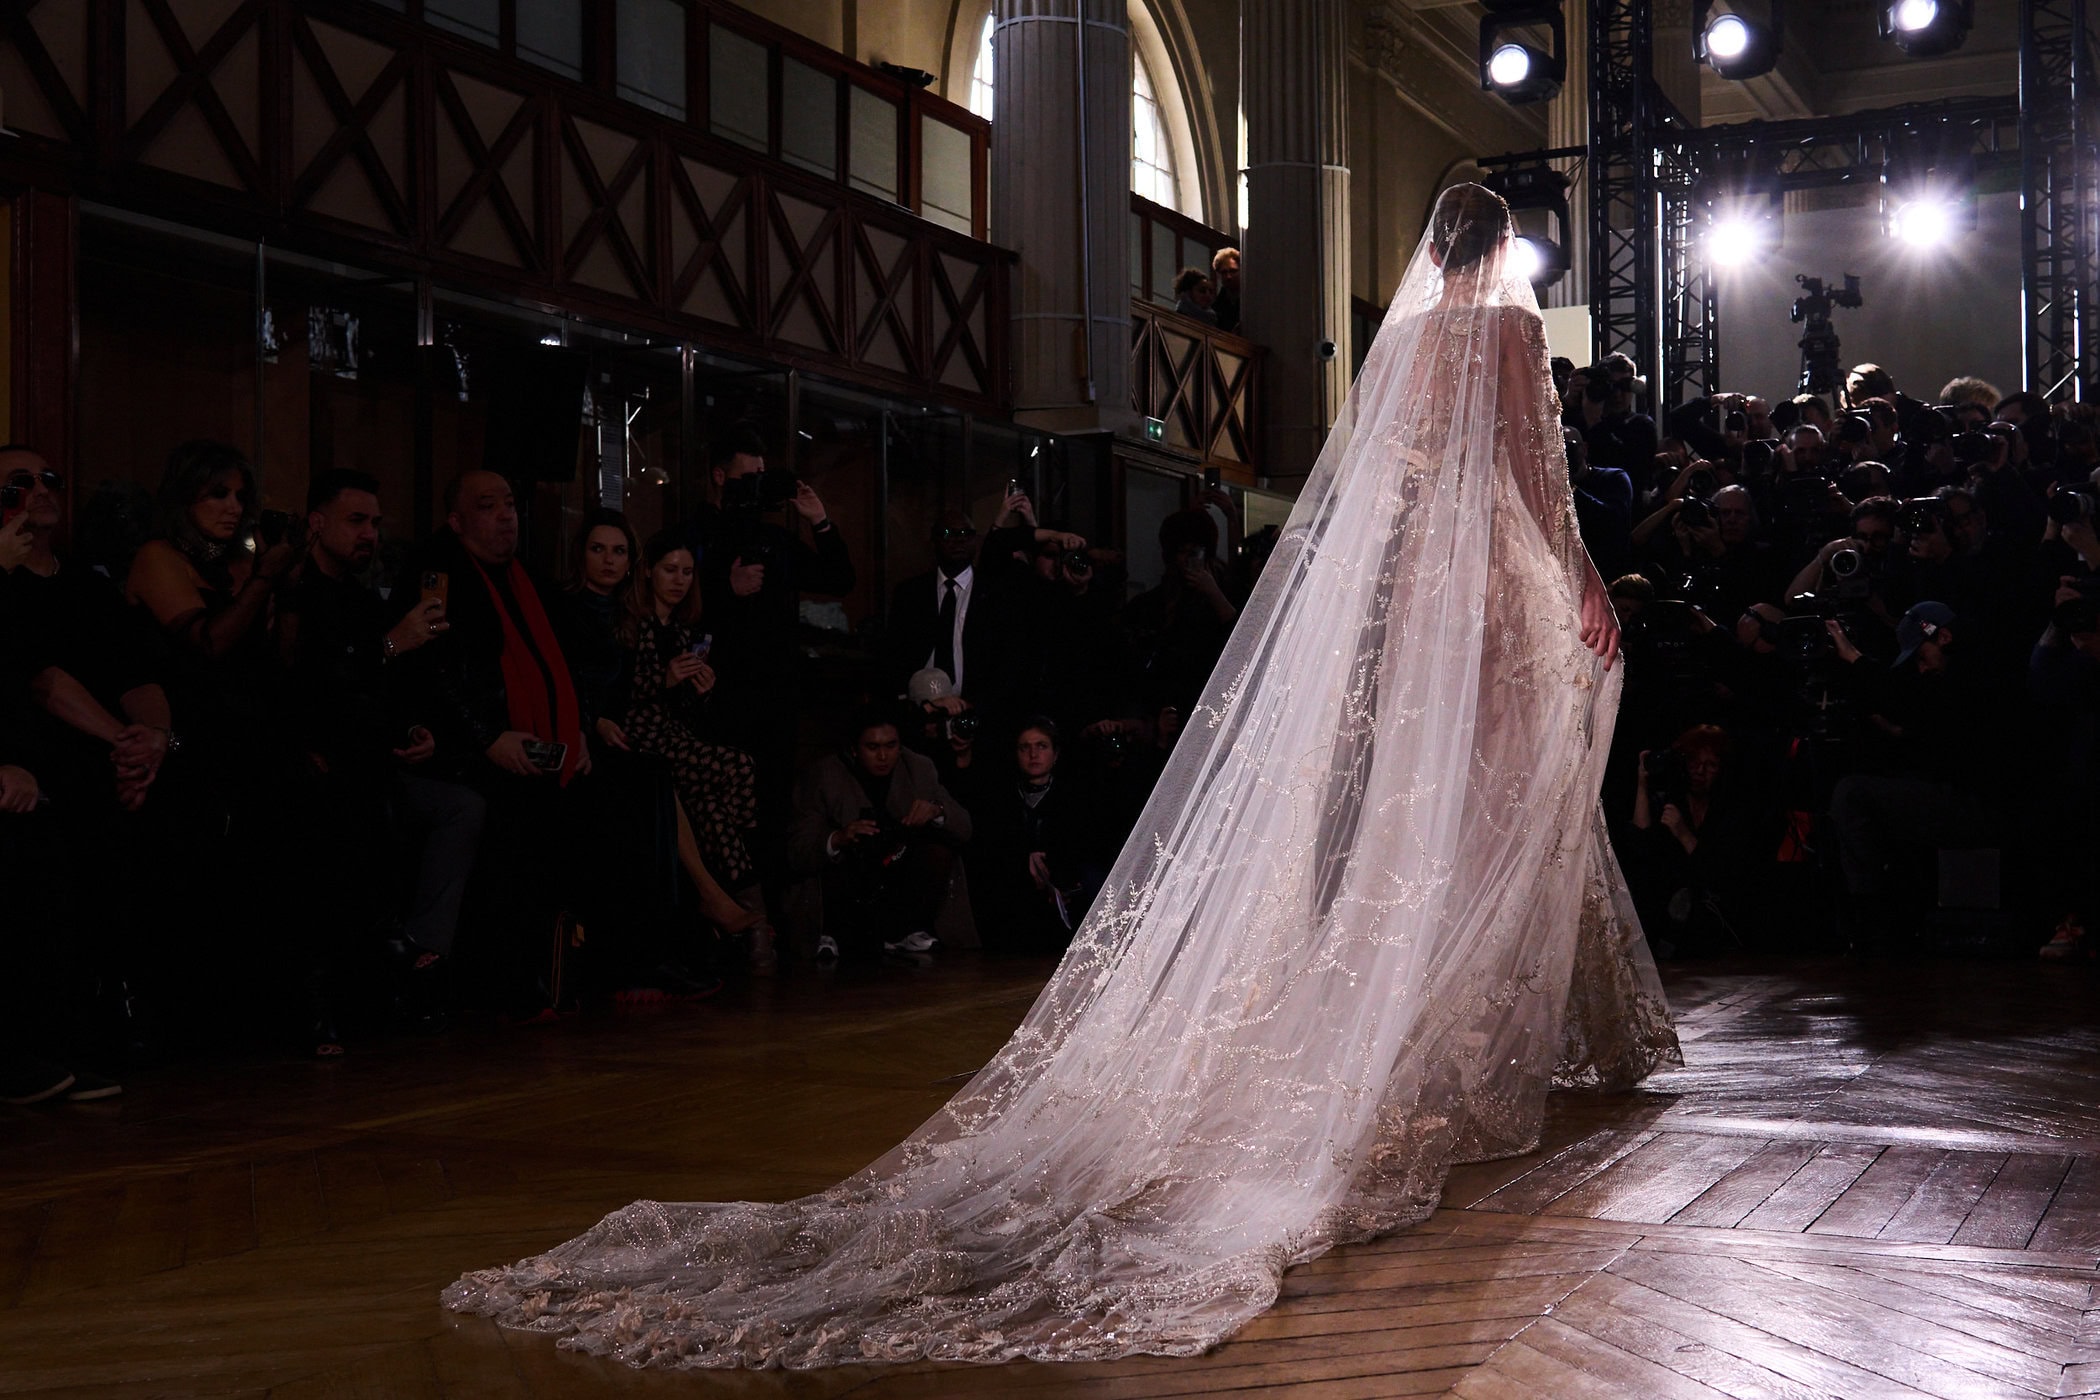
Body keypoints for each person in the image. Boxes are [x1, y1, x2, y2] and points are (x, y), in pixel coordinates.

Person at [447, 183, 1677, 1368]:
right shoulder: (1509, 325)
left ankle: (1469, 1027)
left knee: (1444, 818)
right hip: (1488, 589)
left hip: (1418, 596)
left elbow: (1388, 484)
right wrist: (1572, 576)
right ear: (1503, 249)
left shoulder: (1404, 341)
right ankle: (1475, 1040)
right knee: (1498, 803)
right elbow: (1526, 462)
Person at [279, 469, 484, 1035]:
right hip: (321, 764)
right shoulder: (297, 594)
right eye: (356, 521)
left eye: (375, 522)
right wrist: (395, 643)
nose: (370, 533)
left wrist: (415, 730)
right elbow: (309, 687)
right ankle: (360, 972)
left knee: (461, 806)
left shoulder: (363, 598)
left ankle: (423, 952)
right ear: (317, 524)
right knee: (354, 806)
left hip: (374, 759)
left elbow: (382, 691)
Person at [617, 531, 761, 898]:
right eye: (670, 570)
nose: (679, 580)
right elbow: (613, 694)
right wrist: (663, 679)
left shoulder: (684, 633)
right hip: (639, 737)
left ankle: (749, 918)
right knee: (740, 765)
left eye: (686, 572)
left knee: (713, 813)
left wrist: (701, 691)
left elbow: (688, 714)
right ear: (648, 571)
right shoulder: (631, 622)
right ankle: (733, 887)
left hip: (676, 739)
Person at [784, 709, 971, 962]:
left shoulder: (917, 767)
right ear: (854, 749)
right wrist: (838, 838)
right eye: (872, 747)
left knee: (938, 850)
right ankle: (832, 933)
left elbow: (964, 827)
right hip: (848, 878)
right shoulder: (824, 775)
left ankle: (903, 930)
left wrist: (936, 810)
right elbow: (797, 850)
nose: (883, 756)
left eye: (891, 745)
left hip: (897, 871)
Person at [1210, 245, 1241, 333]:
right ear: (1218, 275)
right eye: (1224, 272)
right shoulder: (1216, 307)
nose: (1228, 276)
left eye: (1233, 271)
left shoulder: (1251, 301)